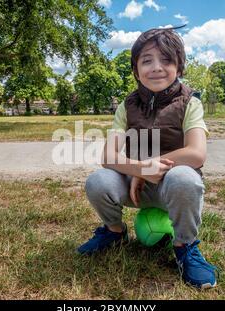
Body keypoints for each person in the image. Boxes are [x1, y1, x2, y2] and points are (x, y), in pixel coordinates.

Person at [78, 27, 217, 289]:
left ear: (179, 66)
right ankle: (114, 232)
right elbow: (108, 156)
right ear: (135, 69)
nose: (156, 67)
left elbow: (196, 154)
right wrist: (139, 170)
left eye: (166, 60)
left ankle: (185, 246)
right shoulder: (126, 106)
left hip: (171, 188)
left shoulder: (190, 103)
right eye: (147, 60)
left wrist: (148, 170)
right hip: (134, 188)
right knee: (98, 181)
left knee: (185, 177)